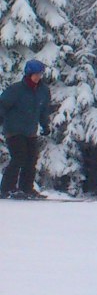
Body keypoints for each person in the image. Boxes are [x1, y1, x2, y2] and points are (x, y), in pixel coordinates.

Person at [0, 59, 53, 199]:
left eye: (40, 74)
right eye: (35, 74)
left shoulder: (43, 91)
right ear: (28, 74)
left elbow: (43, 110)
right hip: (14, 129)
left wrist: (45, 125)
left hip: (30, 131)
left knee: (31, 159)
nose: (37, 77)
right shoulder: (16, 89)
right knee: (19, 157)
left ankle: (26, 188)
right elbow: (2, 104)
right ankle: (7, 188)